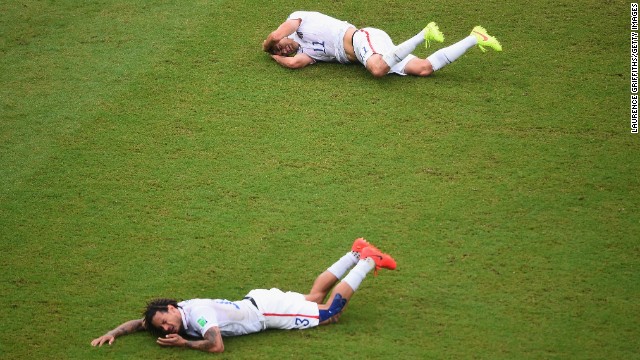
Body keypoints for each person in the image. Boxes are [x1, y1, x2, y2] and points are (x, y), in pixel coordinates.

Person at [91, 238, 397, 353]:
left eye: (166, 322)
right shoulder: (178, 312)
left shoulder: (197, 315)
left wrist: (185, 344)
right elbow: (140, 323)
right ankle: (353, 253)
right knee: (313, 296)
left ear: (172, 308)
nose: (167, 328)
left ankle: (368, 260)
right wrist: (113, 333)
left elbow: (217, 346)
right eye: (163, 328)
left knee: (329, 312)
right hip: (261, 301)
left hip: (267, 313)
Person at [262, 11, 502, 77]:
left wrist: (268, 45)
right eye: (280, 50)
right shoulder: (306, 52)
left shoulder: (299, 21)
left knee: (377, 70)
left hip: (363, 39)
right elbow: (294, 64)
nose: (282, 48)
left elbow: (277, 33)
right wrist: (274, 56)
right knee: (424, 68)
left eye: (280, 45)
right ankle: (476, 37)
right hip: (371, 50)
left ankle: (424, 34)